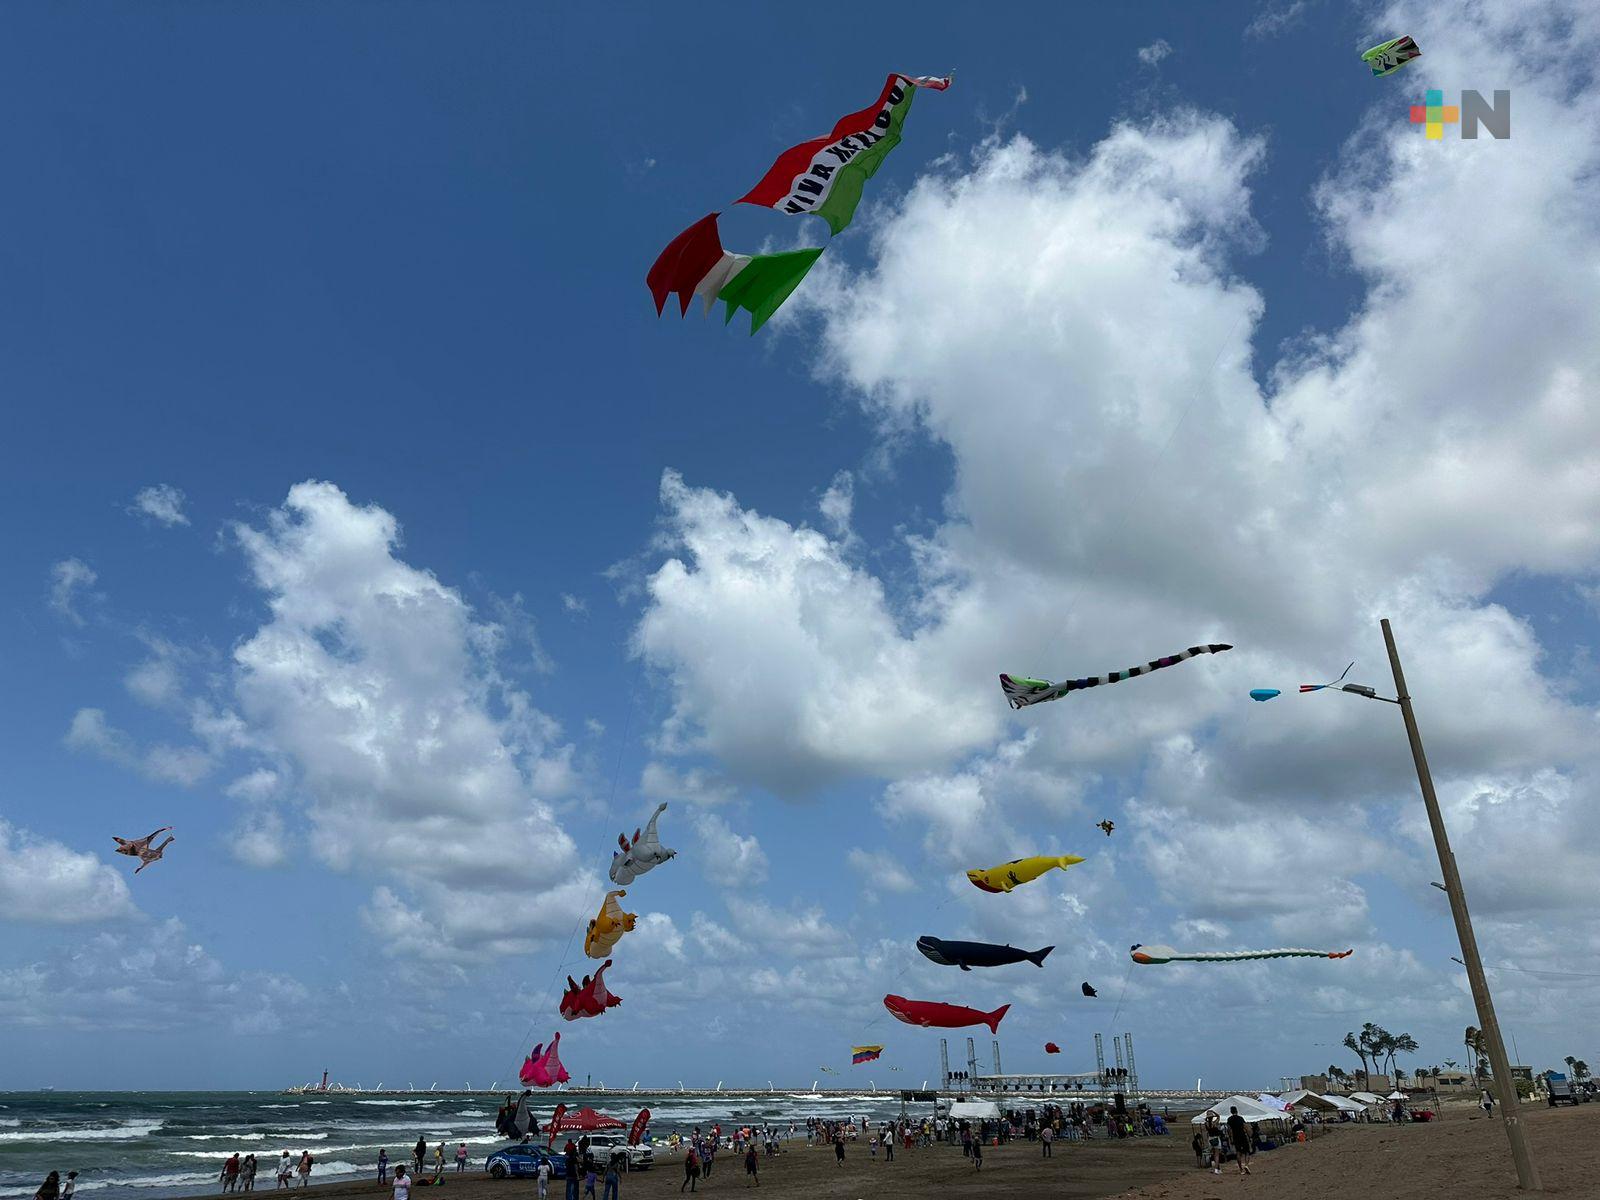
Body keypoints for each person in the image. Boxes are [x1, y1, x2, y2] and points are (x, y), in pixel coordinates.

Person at [1225, 1108, 1251, 1177]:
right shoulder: (1240, 1118)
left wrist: (1231, 1138)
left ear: (1231, 1112)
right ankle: (1246, 1165)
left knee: (1238, 1153)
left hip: (1235, 1137)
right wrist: (1249, 1135)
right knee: (1247, 1152)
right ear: (1237, 1111)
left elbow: (1229, 1130)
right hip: (1242, 1135)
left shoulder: (1229, 1119)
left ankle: (1241, 1169)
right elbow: (1245, 1127)